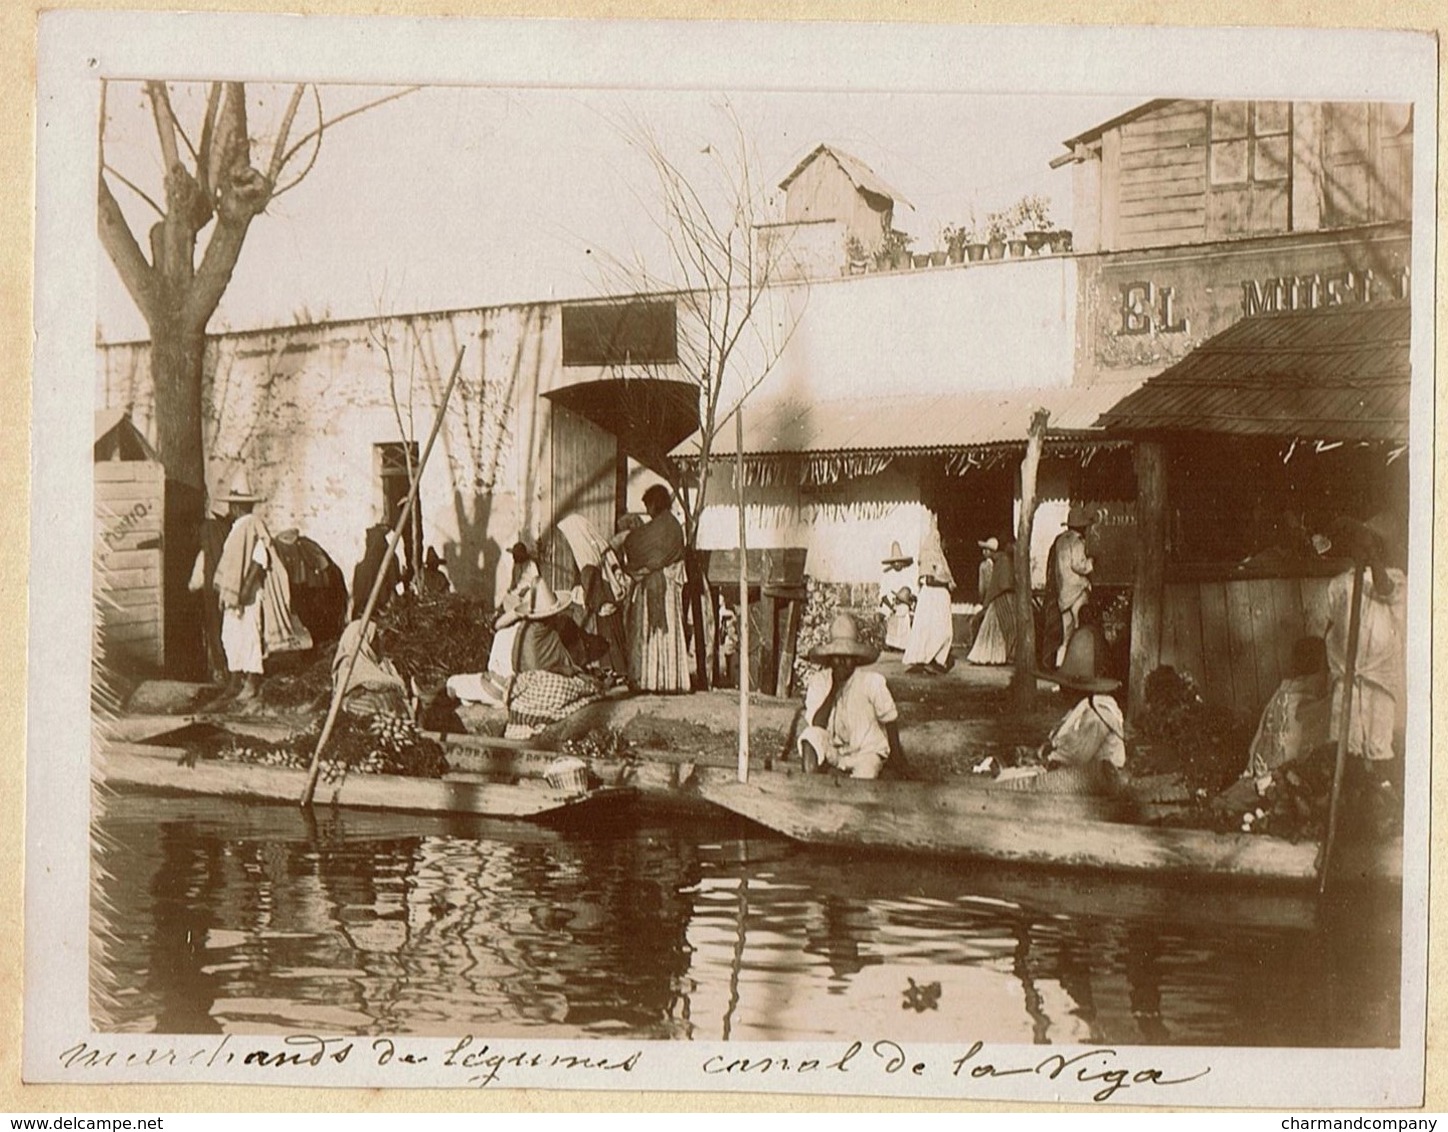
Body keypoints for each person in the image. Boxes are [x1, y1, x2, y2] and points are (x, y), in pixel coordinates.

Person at [209, 475, 311, 702]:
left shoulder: (252, 524)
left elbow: (260, 557)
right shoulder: (237, 527)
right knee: (230, 637)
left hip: (249, 595)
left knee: (249, 637)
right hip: (234, 594)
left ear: (239, 506)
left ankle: (252, 682)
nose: (231, 509)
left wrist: (245, 588)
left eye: (233, 505)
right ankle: (235, 681)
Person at [1324, 512, 1408, 764]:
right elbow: (1331, 625)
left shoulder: (1394, 578)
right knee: (1347, 740)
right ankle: (1351, 786)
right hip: (1347, 674)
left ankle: (1379, 787)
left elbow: (1387, 592)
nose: (1361, 548)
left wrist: (1371, 560)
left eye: (1369, 544)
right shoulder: (1340, 584)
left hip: (1378, 675)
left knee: (1377, 739)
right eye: (1357, 543)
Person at [798, 613, 904, 780]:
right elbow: (816, 724)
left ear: (855, 658)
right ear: (830, 659)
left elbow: (890, 720)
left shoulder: (871, 682)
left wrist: (898, 761)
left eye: (847, 657)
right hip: (835, 752)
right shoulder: (820, 682)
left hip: (866, 753)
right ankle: (811, 788)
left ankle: (846, 785)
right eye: (836, 657)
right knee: (809, 736)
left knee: (865, 774)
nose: (841, 662)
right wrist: (833, 690)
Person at [503, 580, 603, 739]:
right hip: (540, 681)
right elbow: (538, 669)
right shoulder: (536, 632)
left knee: (576, 681)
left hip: (525, 682)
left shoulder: (539, 627)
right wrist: (567, 670)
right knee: (578, 687)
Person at [622, 484, 691, 693]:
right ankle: (671, 680)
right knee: (668, 633)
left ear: (655, 503)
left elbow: (633, 544)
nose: (648, 511)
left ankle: (651, 680)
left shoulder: (661, 527)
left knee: (651, 633)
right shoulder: (673, 526)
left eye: (648, 505)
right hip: (668, 589)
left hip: (659, 587)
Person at [1039, 626, 1127, 773]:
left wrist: (1049, 756)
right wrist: (1050, 745)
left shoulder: (1099, 713)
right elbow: (1062, 735)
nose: (1062, 691)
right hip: (1084, 769)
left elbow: (1076, 756)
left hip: (1103, 778)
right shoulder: (1083, 706)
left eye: (1067, 687)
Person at [1246, 636, 1332, 779]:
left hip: (1258, 772)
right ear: (1317, 672)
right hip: (1281, 779)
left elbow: (1257, 741)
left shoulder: (1281, 693)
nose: (1328, 674)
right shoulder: (1311, 704)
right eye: (1326, 668)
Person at [557, 512, 630, 676]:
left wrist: (590, 602)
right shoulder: (597, 548)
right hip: (608, 597)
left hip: (602, 601)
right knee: (615, 636)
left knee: (607, 637)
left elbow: (591, 582)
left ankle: (614, 670)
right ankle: (618, 670)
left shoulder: (586, 556)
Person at [187, 490, 235, 684]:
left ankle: (221, 672)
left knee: (216, 630)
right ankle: (234, 672)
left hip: (212, 594)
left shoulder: (205, 554)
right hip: (232, 591)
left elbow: (194, 584)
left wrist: (192, 587)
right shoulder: (231, 542)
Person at [902, 510, 955, 674]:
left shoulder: (939, 558)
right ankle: (929, 659)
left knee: (936, 628)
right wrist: (946, 583)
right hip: (933, 597)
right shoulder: (929, 555)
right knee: (936, 629)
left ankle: (934, 659)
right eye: (939, 540)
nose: (942, 544)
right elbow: (929, 579)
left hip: (937, 598)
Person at [1048, 505, 1098, 668]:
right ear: (1081, 527)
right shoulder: (1077, 542)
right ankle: (1080, 667)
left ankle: (1060, 666)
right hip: (1077, 591)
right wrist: (1091, 563)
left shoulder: (1060, 540)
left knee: (1066, 634)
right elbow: (1079, 565)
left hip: (1064, 593)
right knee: (1080, 631)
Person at [331, 618, 409, 718]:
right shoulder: (356, 676)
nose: (379, 642)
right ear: (364, 644)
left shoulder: (382, 668)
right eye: (375, 638)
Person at [966, 537, 1017, 665]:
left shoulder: (1001, 561)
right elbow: (1001, 584)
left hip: (999, 597)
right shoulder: (1001, 561)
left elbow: (999, 584)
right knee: (996, 628)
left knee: (997, 627)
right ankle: (995, 656)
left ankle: (996, 655)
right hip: (999, 597)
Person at [351, 524, 403, 618]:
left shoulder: (360, 568)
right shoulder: (390, 559)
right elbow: (395, 585)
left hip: (365, 614)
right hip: (380, 611)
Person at [505, 540, 540, 605]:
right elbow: (514, 581)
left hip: (529, 590)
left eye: (515, 555)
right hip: (518, 591)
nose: (513, 557)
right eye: (513, 555)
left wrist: (526, 589)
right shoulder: (515, 566)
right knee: (507, 598)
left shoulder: (531, 564)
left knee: (527, 600)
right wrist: (510, 589)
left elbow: (536, 581)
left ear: (521, 555)